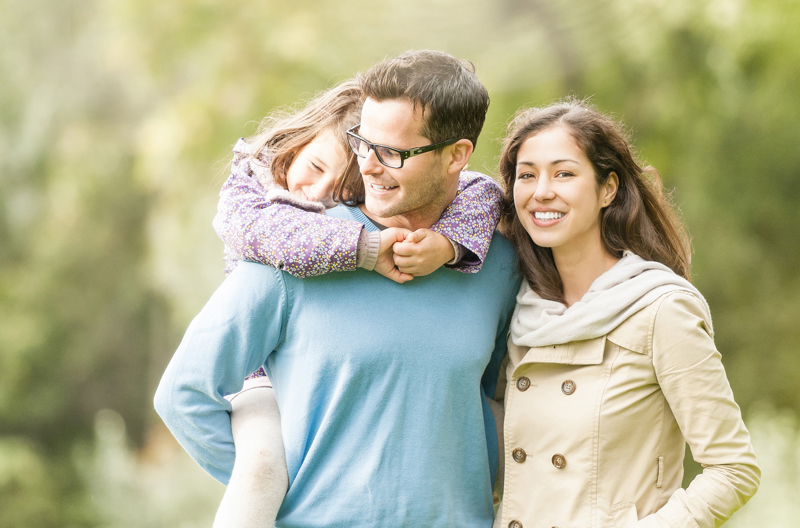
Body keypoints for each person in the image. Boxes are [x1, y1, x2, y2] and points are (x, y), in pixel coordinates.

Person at [154, 49, 520, 528]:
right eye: (362, 143)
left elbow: (497, 397)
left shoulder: (496, 265)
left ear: (457, 156)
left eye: (392, 152)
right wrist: (285, 497)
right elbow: (185, 394)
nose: (367, 165)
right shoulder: (292, 253)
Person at [493, 99, 760, 528]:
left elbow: (734, 469)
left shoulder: (660, 308)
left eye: (564, 173)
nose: (541, 191)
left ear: (608, 189)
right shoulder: (518, 308)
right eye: (527, 175)